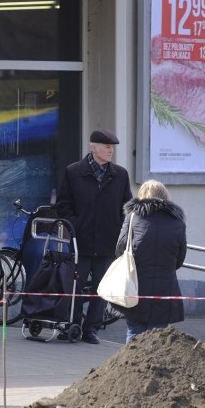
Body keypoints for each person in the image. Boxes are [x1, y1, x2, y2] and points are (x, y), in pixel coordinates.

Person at [56, 129, 133, 344]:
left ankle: (91, 329)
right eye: (106, 147)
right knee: (76, 287)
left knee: (103, 288)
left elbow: (127, 207)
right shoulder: (74, 172)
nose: (111, 151)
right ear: (93, 147)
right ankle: (72, 326)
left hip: (108, 242)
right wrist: (76, 225)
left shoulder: (120, 174)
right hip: (81, 242)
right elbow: (63, 206)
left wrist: (121, 230)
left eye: (112, 148)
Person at [116, 180, 186, 343]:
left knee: (134, 331)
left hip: (135, 286)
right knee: (158, 337)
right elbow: (180, 258)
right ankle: (153, 368)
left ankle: (130, 367)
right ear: (165, 197)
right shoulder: (177, 222)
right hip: (165, 289)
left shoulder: (133, 217)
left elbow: (120, 247)